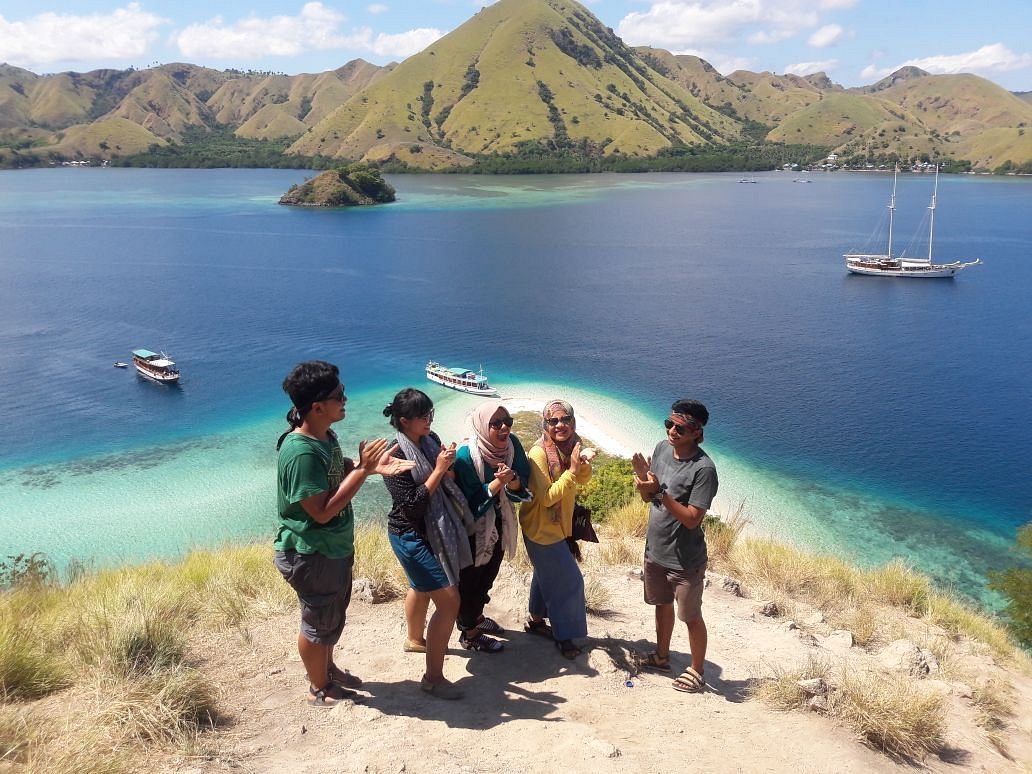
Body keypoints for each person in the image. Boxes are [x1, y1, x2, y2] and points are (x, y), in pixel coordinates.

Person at [274, 360, 414, 708]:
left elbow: (335, 471)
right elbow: (320, 512)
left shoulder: (324, 437)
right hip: (312, 552)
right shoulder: (300, 452)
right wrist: (364, 470)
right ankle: (318, 687)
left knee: (330, 618)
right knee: (316, 623)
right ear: (317, 407)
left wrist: (366, 467)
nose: (345, 399)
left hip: (330, 549)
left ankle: (327, 670)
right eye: (339, 395)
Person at [381, 388, 472, 700]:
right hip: (409, 533)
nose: (429, 420)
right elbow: (412, 505)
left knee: (420, 587)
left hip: (430, 530)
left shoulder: (429, 440)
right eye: (423, 416)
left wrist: (448, 464)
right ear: (404, 421)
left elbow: (447, 479)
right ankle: (433, 678)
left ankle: (415, 639)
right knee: (449, 601)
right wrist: (439, 469)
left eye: (431, 413)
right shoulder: (394, 455)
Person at [631, 399, 719, 694]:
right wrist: (646, 487)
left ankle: (697, 669)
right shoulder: (661, 450)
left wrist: (660, 492)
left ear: (696, 432)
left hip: (686, 559)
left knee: (691, 616)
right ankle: (662, 656)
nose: (672, 431)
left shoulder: (704, 469)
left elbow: (693, 519)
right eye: (669, 424)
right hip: (656, 550)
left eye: (680, 428)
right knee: (661, 604)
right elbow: (651, 499)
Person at [451, 403, 532, 653]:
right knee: (471, 579)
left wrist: (513, 481)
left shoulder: (512, 445)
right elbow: (469, 504)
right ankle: (469, 633)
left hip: (500, 521)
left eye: (507, 421)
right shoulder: (466, 456)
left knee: (490, 573)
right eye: (495, 423)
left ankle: (476, 617)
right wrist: (498, 484)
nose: (504, 427)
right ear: (481, 426)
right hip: (472, 528)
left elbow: (522, 481)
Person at [519, 399, 595, 659]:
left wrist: (581, 464)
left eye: (565, 419)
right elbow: (548, 497)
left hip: (560, 527)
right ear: (545, 424)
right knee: (570, 583)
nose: (560, 425)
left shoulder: (572, 445)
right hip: (541, 530)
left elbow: (582, 480)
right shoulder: (538, 453)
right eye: (554, 421)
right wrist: (573, 470)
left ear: (573, 422)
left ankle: (536, 620)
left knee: (545, 574)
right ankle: (565, 637)